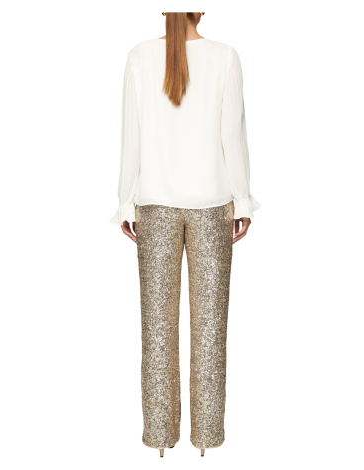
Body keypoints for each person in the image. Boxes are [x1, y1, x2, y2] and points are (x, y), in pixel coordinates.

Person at [110, 12, 261, 457]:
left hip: (154, 206)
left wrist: (126, 201)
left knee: (156, 331)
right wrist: (242, 200)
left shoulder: (139, 56)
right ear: (202, 9)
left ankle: (160, 439)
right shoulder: (225, 57)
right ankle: (206, 441)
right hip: (212, 206)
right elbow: (232, 136)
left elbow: (130, 136)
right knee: (210, 331)